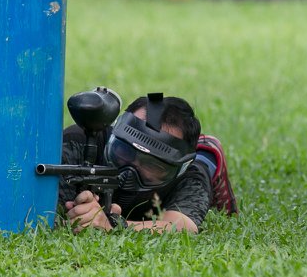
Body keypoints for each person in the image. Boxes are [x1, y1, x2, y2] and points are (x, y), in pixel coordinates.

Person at [59, 93, 238, 234]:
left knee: (207, 160)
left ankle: (209, 148)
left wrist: (113, 225)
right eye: (125, 151)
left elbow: (182, 226)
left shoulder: (191, 173)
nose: (130, 170)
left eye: (152, 165)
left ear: (178, 169)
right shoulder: (80, 141)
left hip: (202, 159)